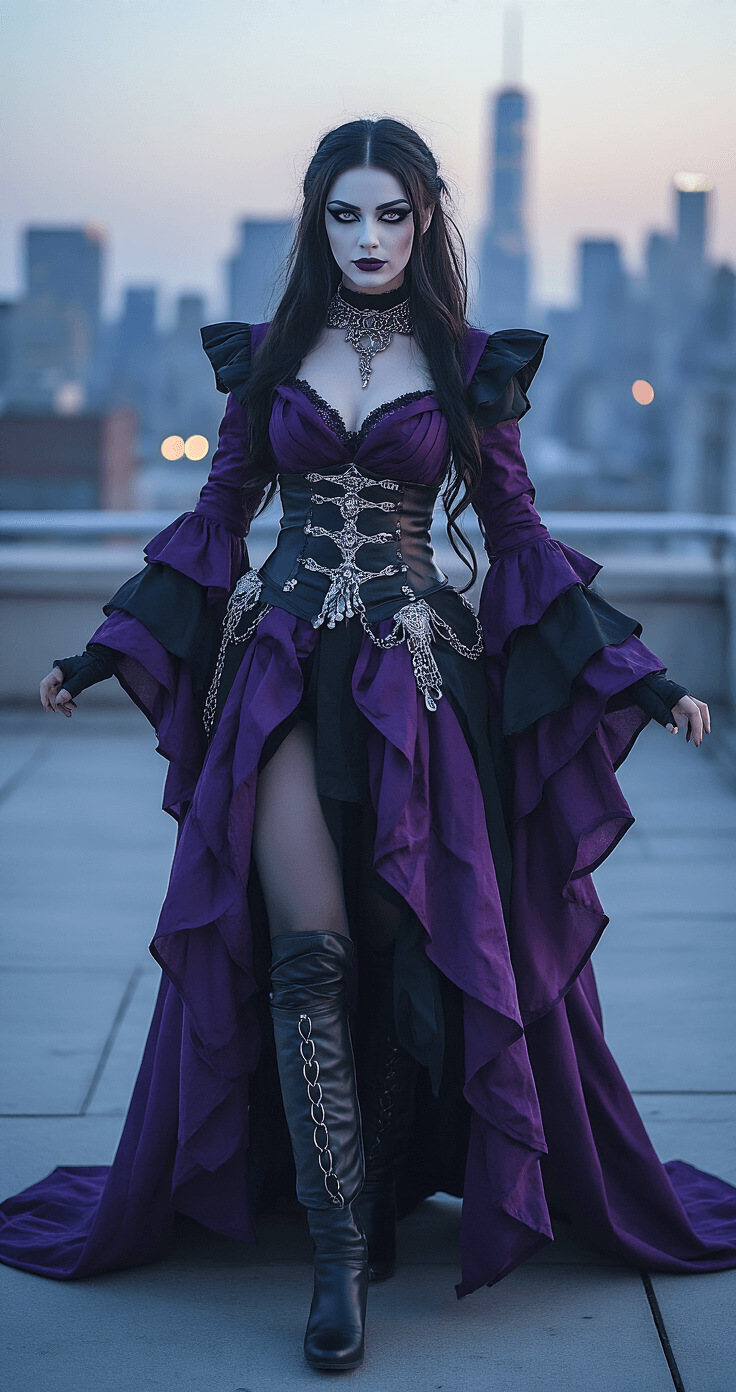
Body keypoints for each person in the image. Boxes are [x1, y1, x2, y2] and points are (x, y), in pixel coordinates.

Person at [2, 118, 735, 1373]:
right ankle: (336, 1263)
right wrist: (103, 648)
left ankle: (383, 1192)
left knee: (400, 935)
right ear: (315, 221)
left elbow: (513, 526)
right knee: (307, 948)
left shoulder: (468, 364)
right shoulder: (269, 355)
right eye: (345, 215)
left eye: (390, 214)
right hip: (280, 671)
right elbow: (221, 509)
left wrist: (641, 672)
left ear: (425, 219)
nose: (368, 238)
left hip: (418, 680)